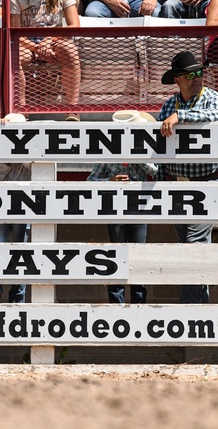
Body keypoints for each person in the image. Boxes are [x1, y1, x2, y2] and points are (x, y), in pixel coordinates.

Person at [157, 50, 218, 304]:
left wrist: (181, 116)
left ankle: (189, 310)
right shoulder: (167, 106)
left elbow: (216, 115)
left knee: (192, 243)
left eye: (200, 72)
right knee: (192, 247)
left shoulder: (214, 98)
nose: (198, 77)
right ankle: (200, 308)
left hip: (208, 181)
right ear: (178, 79)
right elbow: (160, 149)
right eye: (191, 74)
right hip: (177, 185)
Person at [88, 110, 158, 305]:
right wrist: (111, 180)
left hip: (138, 207)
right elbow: (91, 180)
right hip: (117, 208)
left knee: (137, 257)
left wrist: (137, 155)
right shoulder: (109, 152)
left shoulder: (144, 148)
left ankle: (138, 304)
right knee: (118, 256)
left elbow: (156, 170)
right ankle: (117, 305)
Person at [10, 0, 82, 120]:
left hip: (53, 38)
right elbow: (16, 33)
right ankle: (21, 109)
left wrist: (49, 41)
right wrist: (36, 48)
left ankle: (73, 109)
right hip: (26, 41)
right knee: (15, 57)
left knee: (70, 52)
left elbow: (74, 25)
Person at [0, 115, 31, 305]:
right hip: (1, 208)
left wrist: (20, 157)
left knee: (19, 252)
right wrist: (6, 163)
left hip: (23, 208)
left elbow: (40, 177)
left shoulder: (32, 154)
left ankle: (17, 296)